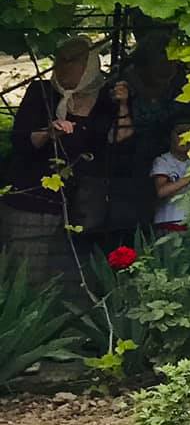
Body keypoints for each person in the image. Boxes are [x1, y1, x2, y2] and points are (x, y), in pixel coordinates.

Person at [3, 39, 114, 282]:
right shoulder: (40, 92)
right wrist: (47, 134)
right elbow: (20, 140)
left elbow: (114, 145)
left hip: (82, 207)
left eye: (73, 61)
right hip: (34, 198)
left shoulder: (108, 97)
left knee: (70, 281)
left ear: (89, 65)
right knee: (25, 277)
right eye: (60, 59)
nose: (64, 67)